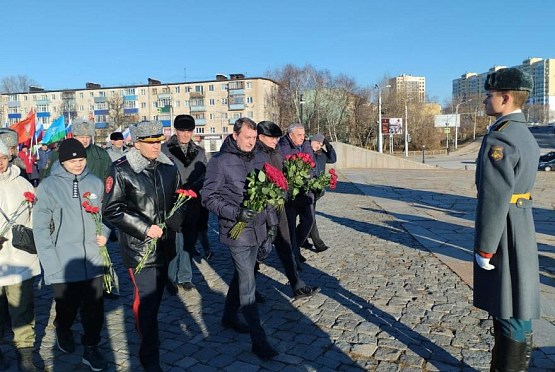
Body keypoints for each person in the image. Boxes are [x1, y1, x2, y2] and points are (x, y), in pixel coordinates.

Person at [102, 121, 183, 372]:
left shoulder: (169, 167)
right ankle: (149, 354)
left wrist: (178, 217)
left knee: (157, 297)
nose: (156, 146)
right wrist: (145, 228)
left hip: (165, 245)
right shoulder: (121, 170)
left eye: (159, 141)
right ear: (136, 144)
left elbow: (178, 197)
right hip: (140, 249)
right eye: (150, 142)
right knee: (146, 302)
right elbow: (112, 210)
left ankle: (149, 333)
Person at [473, 67, 540, 371]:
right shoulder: (524, 133)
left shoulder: (500, 138)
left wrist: (485, 247)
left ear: (506, 97)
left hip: (504, 229)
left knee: (506, 308)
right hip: (522, 224)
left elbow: (494, 196)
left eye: (489, 95)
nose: (485, 101)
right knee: (520, 305)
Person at [202, 117, 279, 359]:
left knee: (243, 275)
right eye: (247, 137)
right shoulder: (219, 162)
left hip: (258, 229)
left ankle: (228, 317)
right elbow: (208, 198)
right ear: (235, 135)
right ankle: (259, 341)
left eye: (254, 138)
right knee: (248, 285)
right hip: (237, 232)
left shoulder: (259, 157)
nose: (251, 142)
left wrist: (272, 224)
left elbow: (266, 193)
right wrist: (236, 213)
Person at [33, 138, 110, 372]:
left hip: (93, 257)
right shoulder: (48, 186)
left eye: (81, 159)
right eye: (72, 160)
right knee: (67, 306)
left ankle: (91, 347)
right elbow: (41, 227)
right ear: (63, 161)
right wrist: (50, 263)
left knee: (94, 308)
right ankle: (63, 328)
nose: (78, 164)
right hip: (64, 259)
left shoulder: (95, 183)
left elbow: (105, 216)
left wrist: (105, 233)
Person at [256, 121, 320, 300]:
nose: (275, 140)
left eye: (277, 137)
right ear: (261, 137)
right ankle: (246, 289)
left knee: (285, 245)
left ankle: (297, 285)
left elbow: (282, 173)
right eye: (272, 138)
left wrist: (289, 186)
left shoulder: (275, 151)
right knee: (257, 252)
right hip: (262, 211)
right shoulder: (255, 154)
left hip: (279, 206)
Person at [0, 140, 42, 372]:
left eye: (3, 158)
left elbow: (34, 216)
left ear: (9, 158)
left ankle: (25, 356)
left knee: (23, 310)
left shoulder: (22, 183)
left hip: (20, 259)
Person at [162, 115, 208, 291]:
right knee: (172, 241)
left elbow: (205, 174)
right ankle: (170, 277)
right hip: (172, 201)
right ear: (176, 131)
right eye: (182, 131)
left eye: (189, 131)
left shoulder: (200, 152)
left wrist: (195, 187)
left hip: (192, 201)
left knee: (189, 241)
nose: (186, 135)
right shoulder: (165, 150)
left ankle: (185, 276)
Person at [278, 123, 316, 267]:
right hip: (290, 194)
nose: (302, 138)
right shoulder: (283, 146)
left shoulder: (306, 145)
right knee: (291, 228)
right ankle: (294, 257)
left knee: (309, 221)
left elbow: (312, 164)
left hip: (305, 192)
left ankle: (296, 247)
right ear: (290, 135)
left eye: (303, 135)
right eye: (299, 135)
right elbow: (283, 167)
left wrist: (312, 179)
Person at [43, 119, 111, 181]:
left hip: (96, 191)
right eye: (81, 137)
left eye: (88, 137)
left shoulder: (101, 153)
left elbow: (109, 175)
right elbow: (48, 177)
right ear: (74, 136)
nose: (85, 140)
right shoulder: (60, 153)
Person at [303, 133, 337, 252]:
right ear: (312, 141)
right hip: (306, 190)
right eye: (318, 143)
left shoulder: (321, 153)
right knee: (310, 217)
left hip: (316, 190)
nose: (319, 146)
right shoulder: (305, 151)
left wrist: (329, 146)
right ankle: (318, 244)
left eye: (321, 144)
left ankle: (302, 239)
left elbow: (332, 159)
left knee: (307, 217)